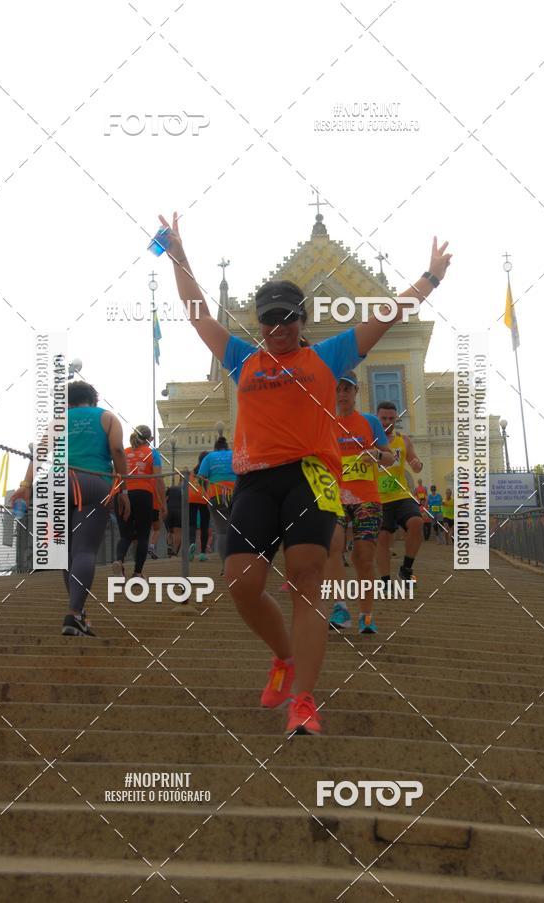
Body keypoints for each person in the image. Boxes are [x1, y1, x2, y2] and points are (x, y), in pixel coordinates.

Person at [159, 210, 451, 735]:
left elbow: (385, 315)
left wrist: (428, 278)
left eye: (286, 320)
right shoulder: (243, 358)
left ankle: (305, 699)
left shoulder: (329, 354)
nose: (277, 329)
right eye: (268, 320)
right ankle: (285, 656)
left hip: (312, 476)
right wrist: (179, 257)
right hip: (256, 481)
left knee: (307, 577)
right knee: (241, 583)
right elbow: (196, 311)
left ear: (302, 320)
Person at [10, 381, 130, 637]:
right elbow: (118, 450)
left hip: (57, 485)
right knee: (84, 550)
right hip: (94, 483)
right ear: (93, 400)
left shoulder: (59, 420)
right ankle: (74, 613)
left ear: (67, 401)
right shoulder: (107, 417)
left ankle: (77, 612)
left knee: (66, 554)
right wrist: (124, 489)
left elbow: (39, 453)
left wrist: (25, 485)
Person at [326, 371, 394, 634]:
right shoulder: (325, 422)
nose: (343, 394)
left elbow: (391, 458)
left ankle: (366, 615)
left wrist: (376, 454)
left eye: (348, 389)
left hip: (366, 499)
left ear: (356, 392)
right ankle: (340, 607)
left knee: (363, 557)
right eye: (339, 389)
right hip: (334, 497)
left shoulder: (369, 423)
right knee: (333, 545)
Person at [375, 401, 425, 584]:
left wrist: (417, 464)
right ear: (377, 418)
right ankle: (385, 580)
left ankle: (406, 568)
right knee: (383, 538)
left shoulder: (403, 440)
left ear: (396, 419)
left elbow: (415, 462)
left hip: (401, 494)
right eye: (383, 418)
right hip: (378, 498)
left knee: (417, 522)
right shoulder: (369, 440)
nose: (387, 422)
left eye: (391, 418)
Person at [112, 425, 165, 584]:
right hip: (143, 494)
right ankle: (137, 573)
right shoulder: (152, 453)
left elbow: (115, 475)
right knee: (143, 535)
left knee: (125, 535)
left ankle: (119, 562)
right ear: (150, 439)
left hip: (122, 493)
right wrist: (163, 504)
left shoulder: (124, 452)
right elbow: (158, 479)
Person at [198, 436, 237, 572]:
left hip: (215, 495)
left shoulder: (209, 457)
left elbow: (201, 477)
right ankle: (239, 563)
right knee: (237, 530)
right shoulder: (234, 454)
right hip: (235, 494)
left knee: (222, 531)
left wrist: (205, 490)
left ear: (215, 447)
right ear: (227, 446)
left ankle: (225, 566)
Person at [188, 451, 210, 561]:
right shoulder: (206, 470)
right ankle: (202, 553)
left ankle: (191, 544)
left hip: (191, 498)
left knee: (192, 524)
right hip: (203, 498)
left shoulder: (193, 471)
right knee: (204, 526)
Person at [164, 482, 182, 556]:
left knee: (169, 531)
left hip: (169, 510)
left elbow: (165, 499)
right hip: (179, 511)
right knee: (177, 533)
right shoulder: (184, 489)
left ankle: (169, 546)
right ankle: (175, 552)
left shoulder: (170, 489)